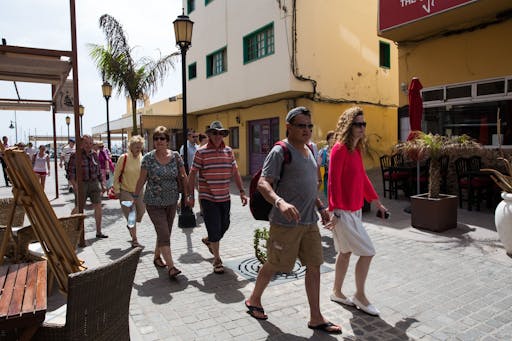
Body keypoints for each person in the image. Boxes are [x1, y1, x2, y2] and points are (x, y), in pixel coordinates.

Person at [245, 107, 342, 334]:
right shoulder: (280, 151)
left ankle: (316, 317)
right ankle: (254, 299)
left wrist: (320, 207)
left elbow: (309, 185)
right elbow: (263, 183)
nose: (306, 130)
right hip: (285, 223)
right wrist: (279, 202)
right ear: (289, 127)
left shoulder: (310, 150)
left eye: (309, 126)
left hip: (309, 222)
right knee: (276, 263)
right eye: (301, 125)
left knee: (315, 266)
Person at [327, 106, 387, 317]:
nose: (363, 128)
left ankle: (336, 292)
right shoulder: (339, 149)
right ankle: (360, 296)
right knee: (368, 251)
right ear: (348, 126)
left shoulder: (356, 149)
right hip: (343, 212)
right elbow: (332, 182)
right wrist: (335, 210)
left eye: (364, 124)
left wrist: (377, 202)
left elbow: (362, 178)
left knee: (345, 252)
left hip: (355, 210)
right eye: (358, 124)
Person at [186, 121, 248, 274]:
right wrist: (190, 195)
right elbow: (192, 174)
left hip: (225, 196)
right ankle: (217, 260)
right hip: (208, 197)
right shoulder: (201, 152)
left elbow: (235, 172)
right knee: (214, 227)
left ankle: (210, 240)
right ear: (210, 135)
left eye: (221, 133)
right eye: (215, 133)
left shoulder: (228, 151)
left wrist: (241, 191)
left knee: (224, 225)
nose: (218, 136)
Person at [133, 126, 188, 279]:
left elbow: (184, 176)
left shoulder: (176, 156)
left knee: (165, 232)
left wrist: (189, 195)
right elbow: (142, 179)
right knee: (164, 232)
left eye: (162, 138)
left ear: (168, 141)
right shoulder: (148, 158)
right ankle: (171, 267)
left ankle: (157, 256)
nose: (159, 141)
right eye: (156, 139)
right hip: (153, 202)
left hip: (171, 201)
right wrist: (135, 197)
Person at [68, 134, 107, 239]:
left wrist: (102, 184)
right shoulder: (75, 156)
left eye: (90, 143)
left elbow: (98, 170)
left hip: (94, 183)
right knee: (78, 208)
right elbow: (70, 173)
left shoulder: (94, 154)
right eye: (86, 143)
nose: (88, 145)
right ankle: (70, 228)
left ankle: (99, 231)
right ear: (81, 144)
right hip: (82, 184)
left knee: (98, 206)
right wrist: (75, 186)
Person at [113, 135, 145, 248]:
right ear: (131, 146)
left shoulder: (142, 158)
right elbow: (116, 175)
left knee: (140, 213)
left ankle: (131, 226)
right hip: (125, 191)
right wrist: (116, 190)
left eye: (140, 147)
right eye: (137, 147)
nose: (139, 149)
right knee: (132, 215)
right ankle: (135, 240)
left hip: (139, 191)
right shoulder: (124, 158)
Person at [319, 130, 335, 198]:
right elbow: (318, 164)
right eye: (331, 138)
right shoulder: (323, 151)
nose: (333, 139)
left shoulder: (338, 149)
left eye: (334, 138)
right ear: (328, 140)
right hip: (327, 175)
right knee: (328, 194)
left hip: (336, 175)